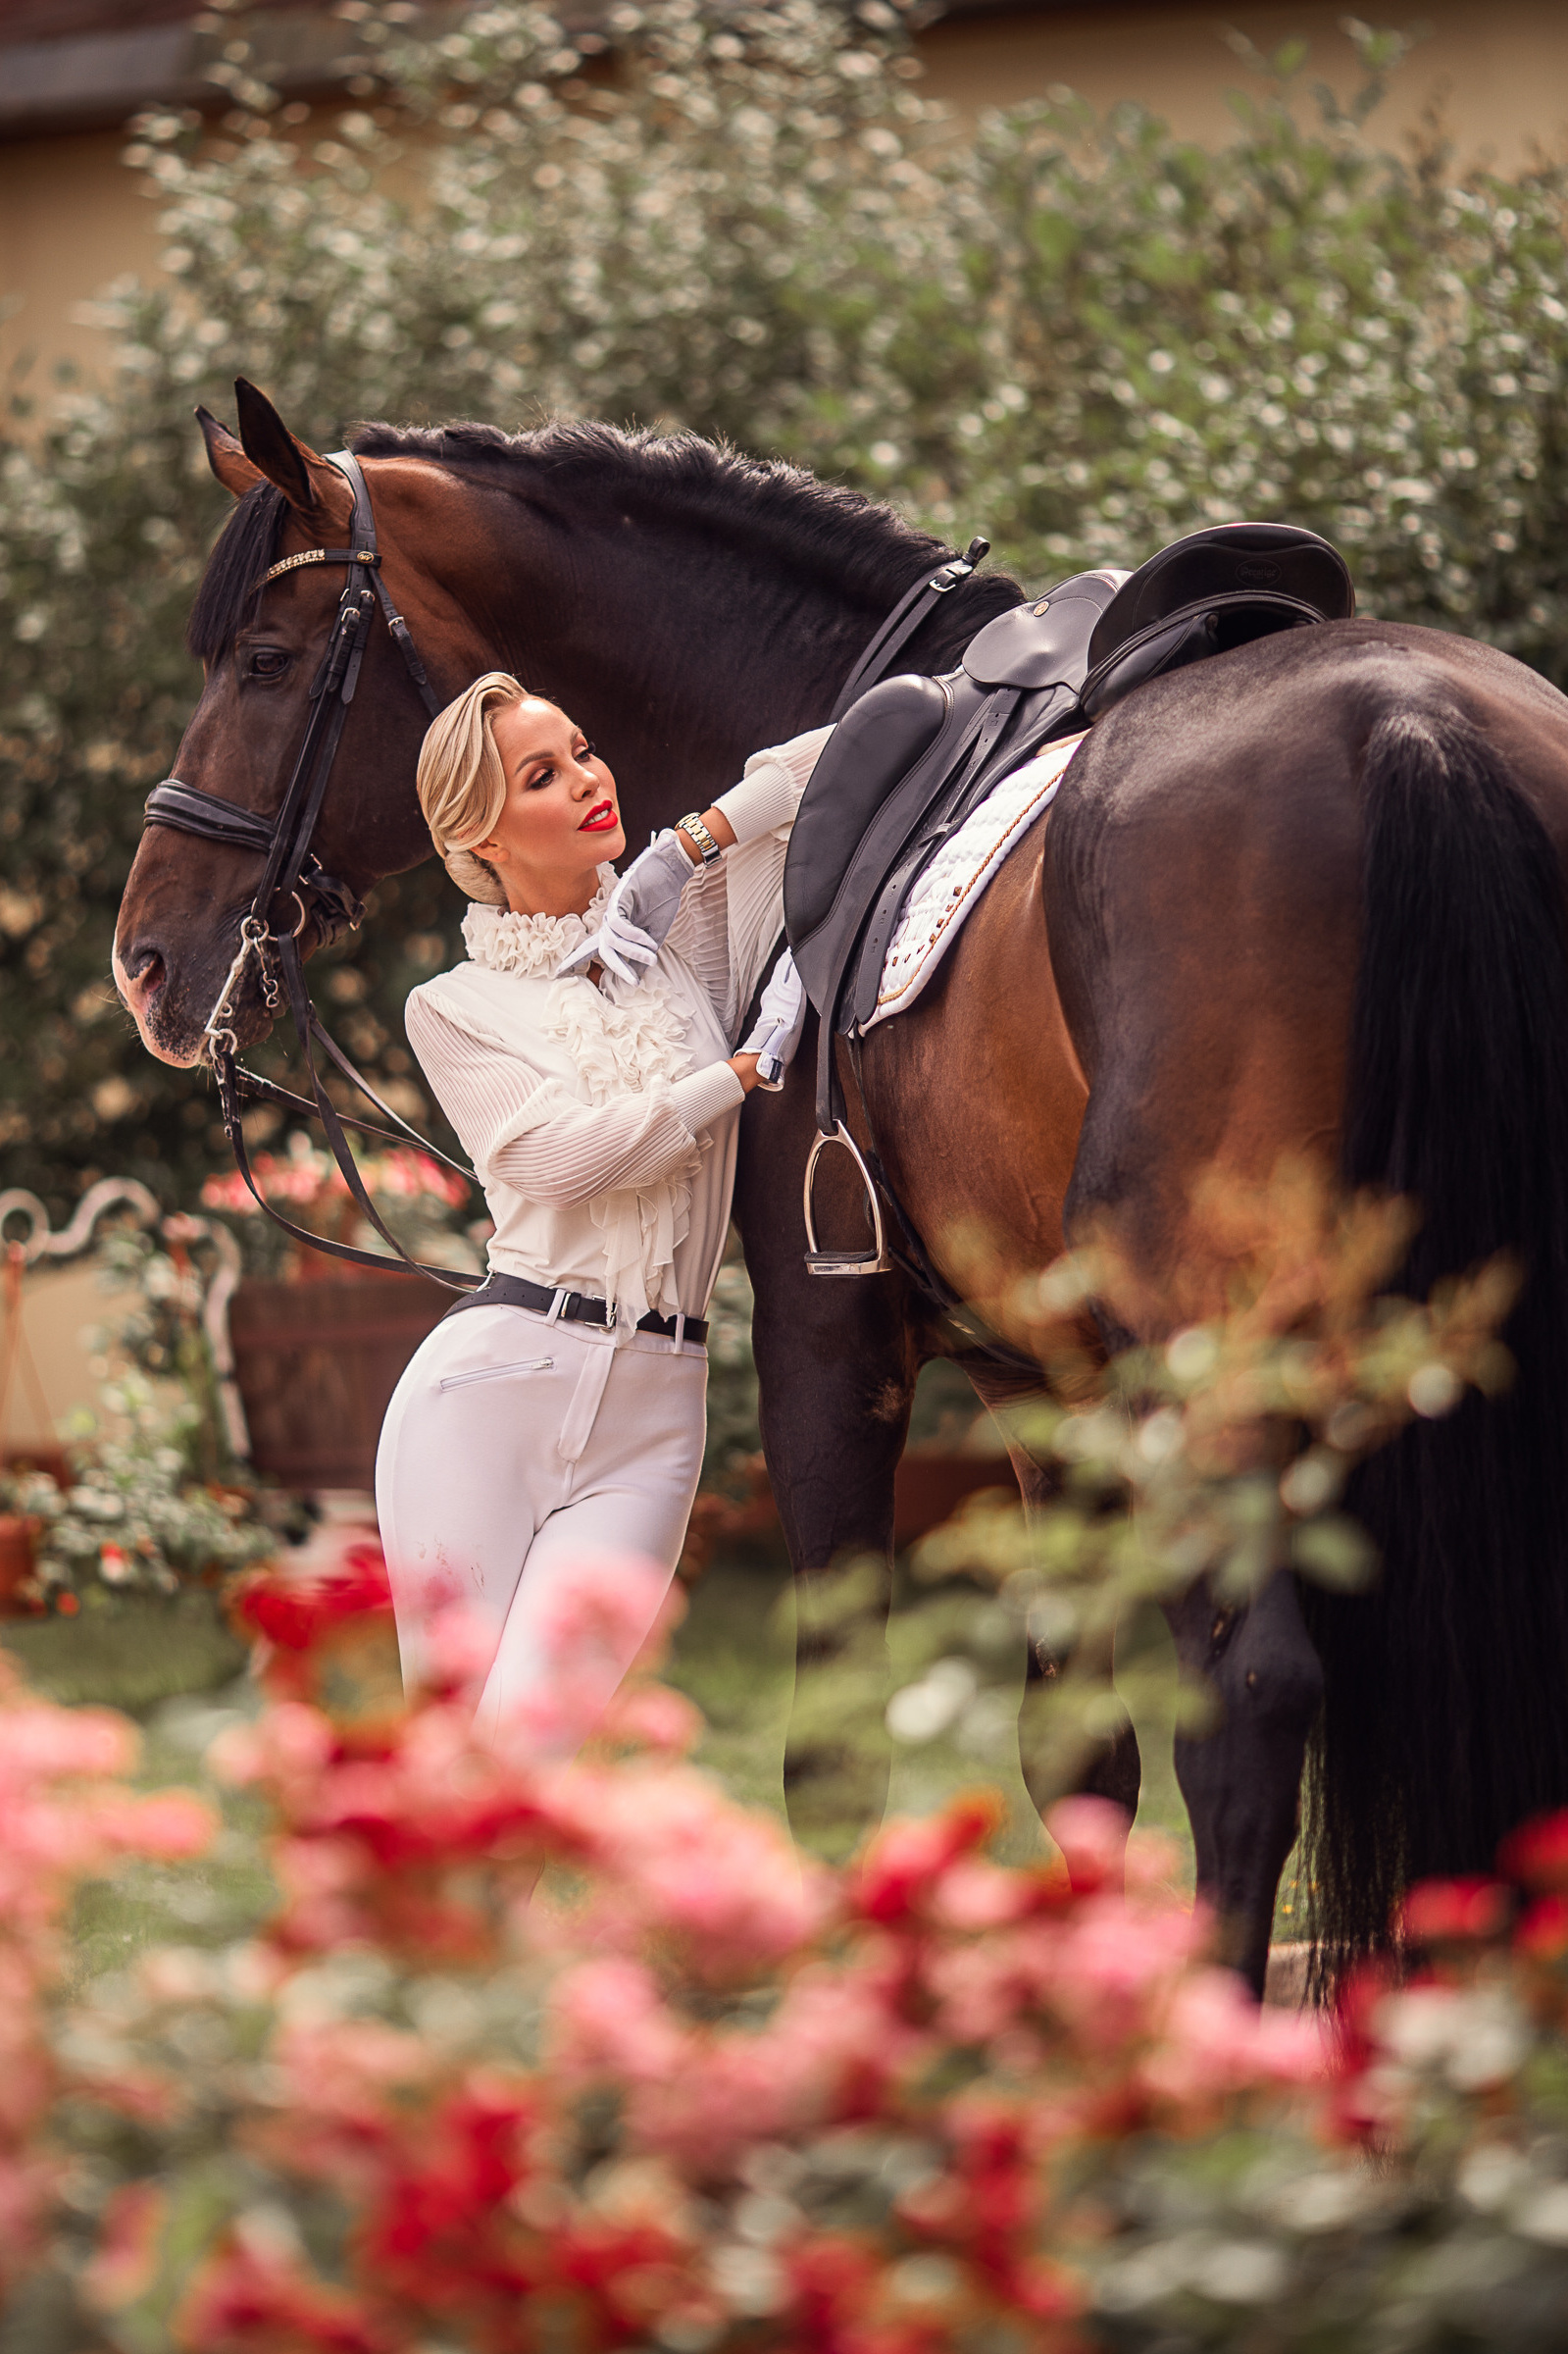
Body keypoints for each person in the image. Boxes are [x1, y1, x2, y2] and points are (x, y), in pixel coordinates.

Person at [375, 672, 826, 1746]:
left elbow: (850, 750)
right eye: (543, 774)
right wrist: (742, 1074)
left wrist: (692, 844)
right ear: (480, 835)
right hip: (494, 1390)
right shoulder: (454, 1008)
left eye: (582, 749)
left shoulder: (687, 936)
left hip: (657, 1418)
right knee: (449, 1758)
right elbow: (560, 1155)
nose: (587, 780)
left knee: (536, 1751)